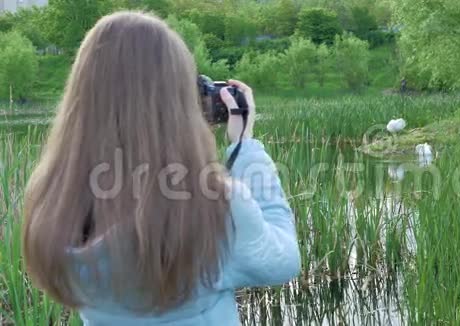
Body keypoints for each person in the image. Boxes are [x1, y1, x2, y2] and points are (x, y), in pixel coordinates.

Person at [21, 11, 300, 325]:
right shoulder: (214, 207)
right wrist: (245, 147)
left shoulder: (54, 204)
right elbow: (283, 260)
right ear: (179, 105)